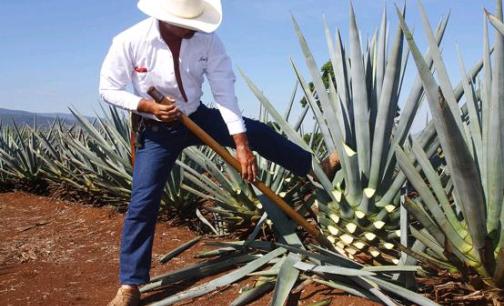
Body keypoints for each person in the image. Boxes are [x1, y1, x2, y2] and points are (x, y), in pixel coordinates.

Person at [99, 0, 339, 305]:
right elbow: (108, 88)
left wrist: (242, 145)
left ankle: (311, 168)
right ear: (165, 17)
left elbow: (224, 92)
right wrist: (148, 107)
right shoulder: (129, 41)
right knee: (143, 201)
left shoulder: (207, 40)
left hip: (196, 117)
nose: (193, 28)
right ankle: (130, 285)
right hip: (157, 129)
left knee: (259, 133)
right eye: (186, 22)